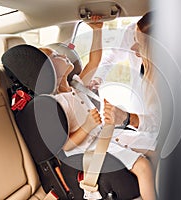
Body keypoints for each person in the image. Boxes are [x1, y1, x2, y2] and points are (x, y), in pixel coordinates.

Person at [40, 15, 156, 200]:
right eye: (55, 56)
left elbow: (95, 61)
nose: (63, 53)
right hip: (89, 149)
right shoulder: (55, 102)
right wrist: (87, 125)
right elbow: (64, 146)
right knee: (143, 167)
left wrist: (97, 30)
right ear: (48, 72)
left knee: (156, 153)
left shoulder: (76, 85)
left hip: (104, 138)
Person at [103, 11, 160, 199]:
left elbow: (158, 122)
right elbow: (109, 57)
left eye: (140, 44)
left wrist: (127, 118)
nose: (133, 48)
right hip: (145, 129)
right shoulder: (135, 34)